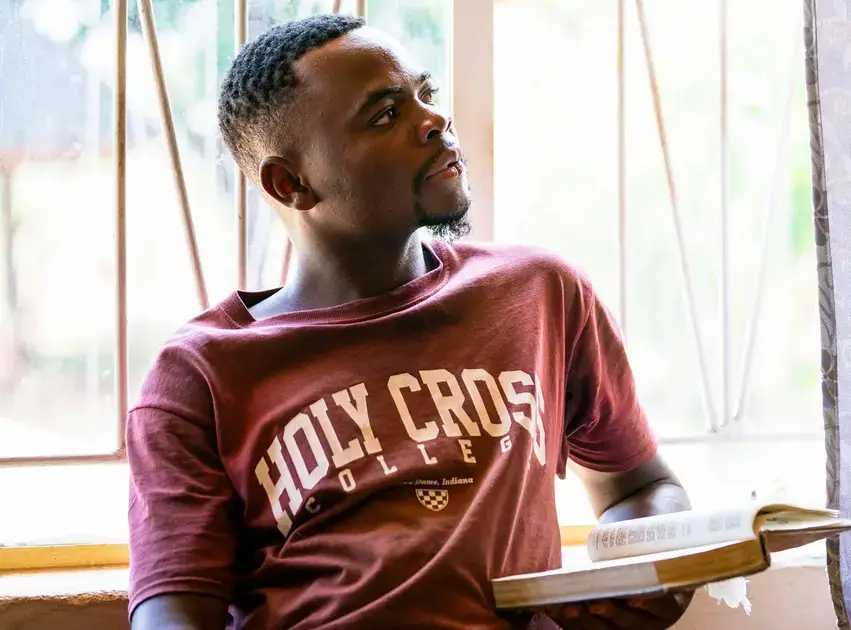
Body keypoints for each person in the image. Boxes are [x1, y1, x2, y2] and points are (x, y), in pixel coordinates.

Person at [126, 13, 693, 630]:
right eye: (385, 115)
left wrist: (650, 562)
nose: (435, 121)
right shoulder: (200, 375)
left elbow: (639, 488)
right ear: (291, 183)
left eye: (427, 96)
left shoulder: (541, 295)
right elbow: (173, 614)